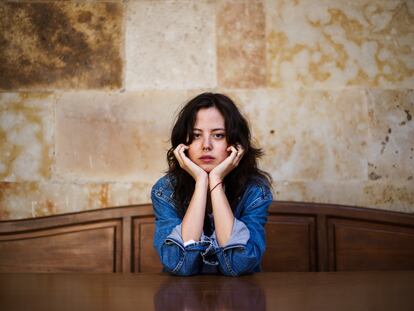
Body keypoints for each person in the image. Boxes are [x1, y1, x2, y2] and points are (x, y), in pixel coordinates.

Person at [151, 92, 272, 276]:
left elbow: (238, 265)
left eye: (218, 135)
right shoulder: (165, 190)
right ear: (183, 144)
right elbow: (179, 264)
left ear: (236, 144)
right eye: (196, 135)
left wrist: (215, 179)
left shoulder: (255, 191)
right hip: (182, 300)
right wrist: (201, 181)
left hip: (240, 300)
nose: (206, 145)